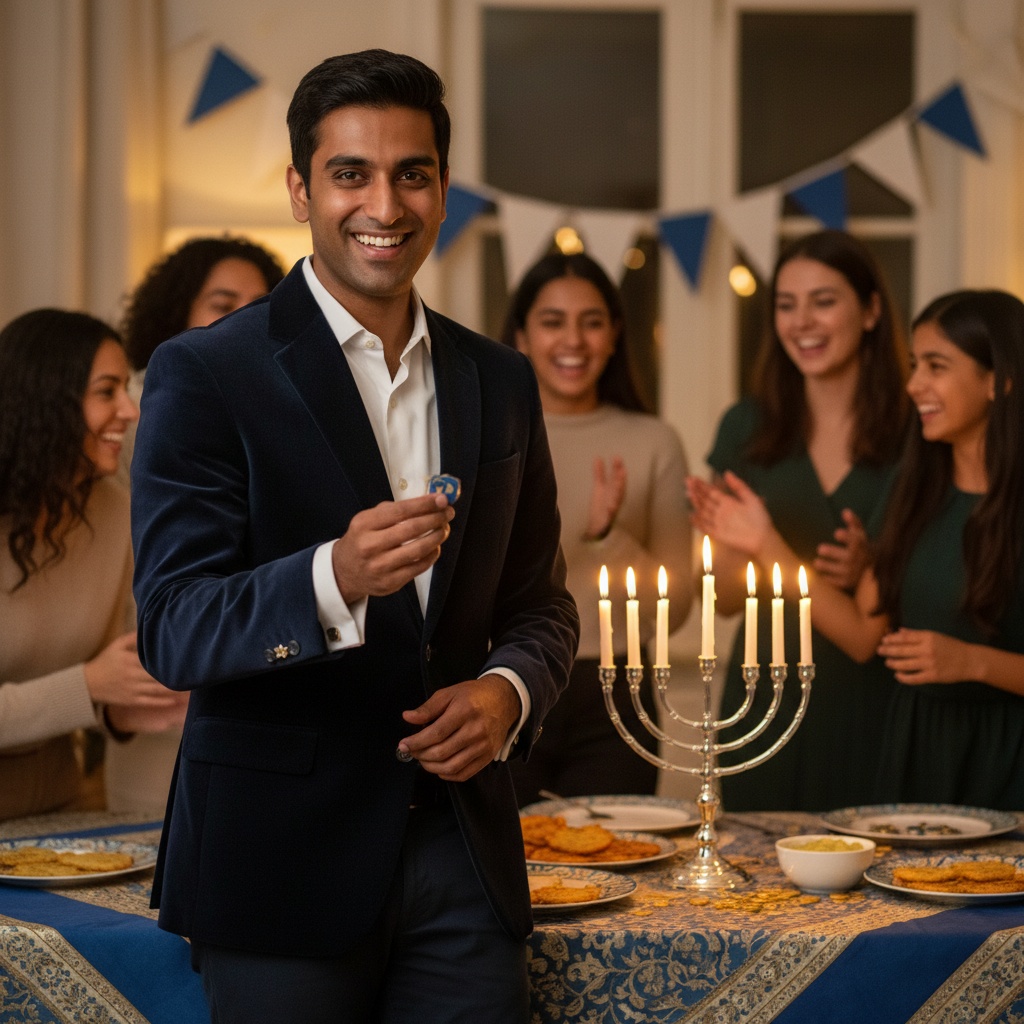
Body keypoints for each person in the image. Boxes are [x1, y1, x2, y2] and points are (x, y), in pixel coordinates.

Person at [130, 49, 579, 1024]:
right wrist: (331, 576)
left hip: (464, 859)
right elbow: (170, 627)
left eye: (411, 173)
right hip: (275, 864)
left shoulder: (498, 378)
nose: (385, 202)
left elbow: (540, 602)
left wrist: (508, 694)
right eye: (350, 174)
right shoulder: (204, 371)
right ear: (299, 189)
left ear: (444, 190)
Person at [739, 289, 1024, 810]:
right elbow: (860, 634)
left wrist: (973, 662)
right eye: (915, 365)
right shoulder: (910, 488)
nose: (914, 385)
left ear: (999, 380)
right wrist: (763, 541)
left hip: (1010, 756)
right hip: (917, 752)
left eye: (936, 366)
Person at [687, 230, 909, 812]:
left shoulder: (916, 430)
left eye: (824, 300)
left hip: (875, 700)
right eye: (786, 304)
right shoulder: (746, 425)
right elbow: (726, 598)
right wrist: (730, 551)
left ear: (871, 310)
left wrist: (767, 543)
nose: (801, 321)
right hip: (766, 691)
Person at [500, 252, 692, 804]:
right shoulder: (487, 436)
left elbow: (675, 610)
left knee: (619, 869)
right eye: (552, 321)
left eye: (592, 322)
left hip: (616, 693)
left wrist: (610, 536)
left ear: (614, 336)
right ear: (521, 334)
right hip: (504, 680)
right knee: (510, 874)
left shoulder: (654, 440)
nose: (574, 341)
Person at [108, 236, 284, 813]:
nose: (241, 320)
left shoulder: (286, 427)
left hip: (258, 708)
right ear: (175, 314)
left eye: (260, 304)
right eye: (221, 302)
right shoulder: (128, 430)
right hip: (152, 700)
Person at [0, 309, 187, 822]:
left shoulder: (117, 512)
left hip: (61, 814)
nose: (129, 411)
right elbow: (88, 681)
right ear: (44, 402)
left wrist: (128, 706)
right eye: (107, 392)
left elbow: (109, 669)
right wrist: (88, 687)